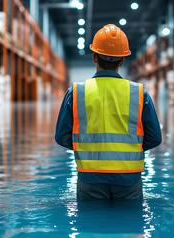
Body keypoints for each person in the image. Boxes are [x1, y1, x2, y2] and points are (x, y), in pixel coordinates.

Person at [55, 24, 162, 200]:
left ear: (94, 57)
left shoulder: (76, 92)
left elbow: (61, 137)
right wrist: (131, 149)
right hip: (129, 177)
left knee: (89, 224)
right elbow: (155, 138)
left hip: (90, 177)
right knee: (130, 224)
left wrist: (85, 149)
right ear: (122, 61)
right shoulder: (139, 93)